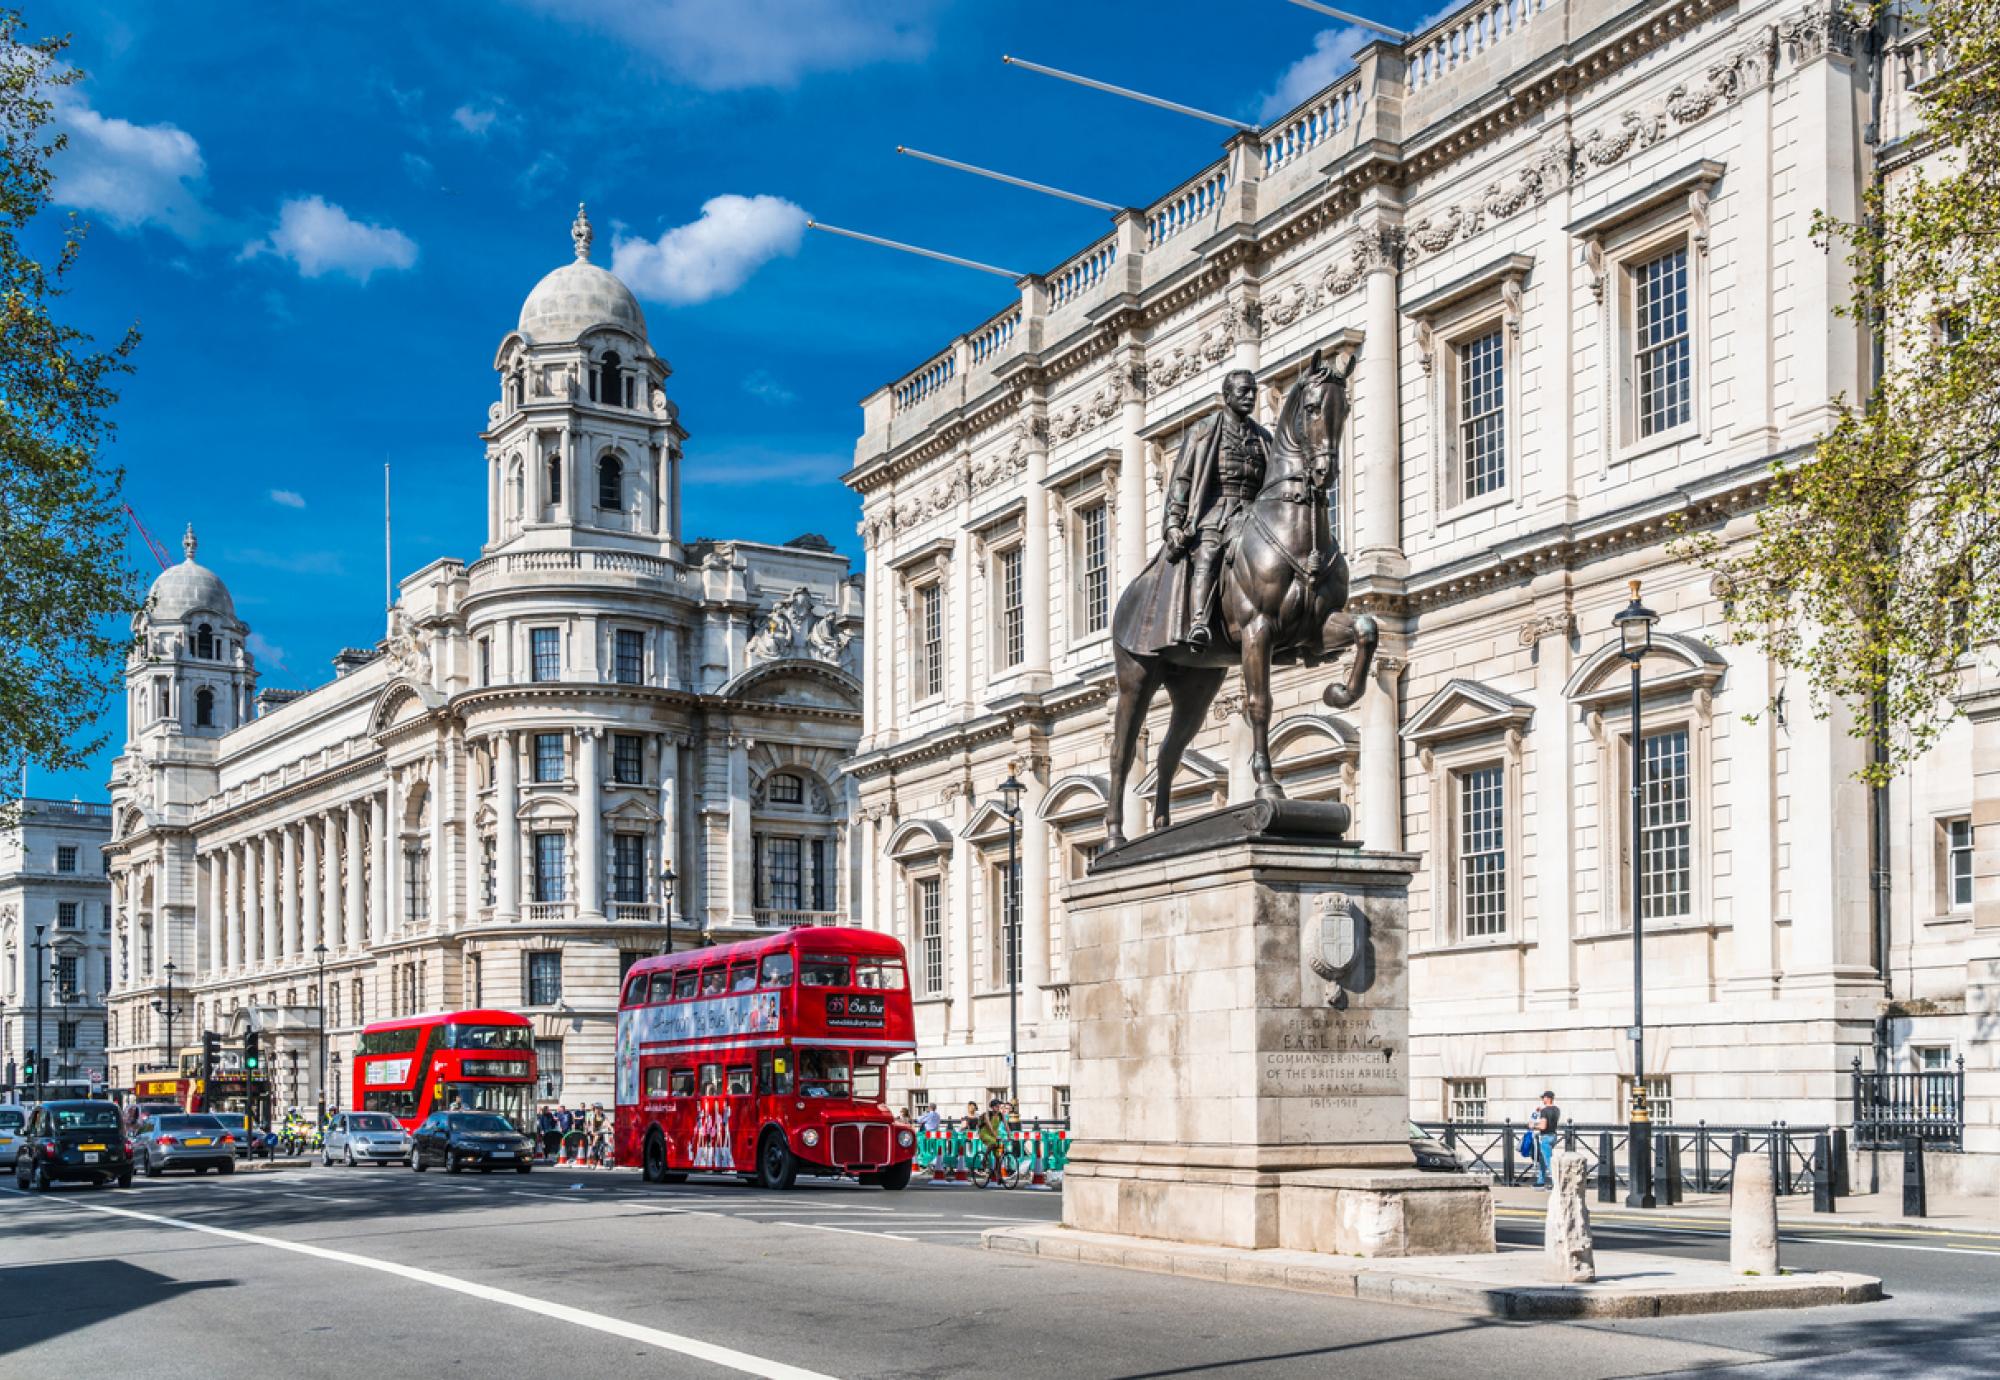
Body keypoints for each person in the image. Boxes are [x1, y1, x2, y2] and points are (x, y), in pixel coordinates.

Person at [1151, 369, 1273, 651]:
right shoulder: (1203, 432)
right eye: (1243, 391)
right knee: (1209, 552)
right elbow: (1181, 480)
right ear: (1227, 396)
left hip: (1255, 513)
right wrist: (1172, 524)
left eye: (1253, 390)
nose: (1251, 396)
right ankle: (1199, 622)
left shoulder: (1264, 438)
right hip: (1217, 511)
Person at [1531, 1090, 1561, 1188]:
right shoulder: (1557, 1109)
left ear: (1547, 1098)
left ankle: (1556, 1183)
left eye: (1543, 1097)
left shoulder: (1544, 1111)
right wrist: (1539, 1111)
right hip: (1553, 1136)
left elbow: (1543, 1126)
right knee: (1542, 1159)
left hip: (1546, 1137)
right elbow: (1550, 1118)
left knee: (1548, 1161)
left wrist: (1533, 1125)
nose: (1542, 1099)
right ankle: (1541, 1181)